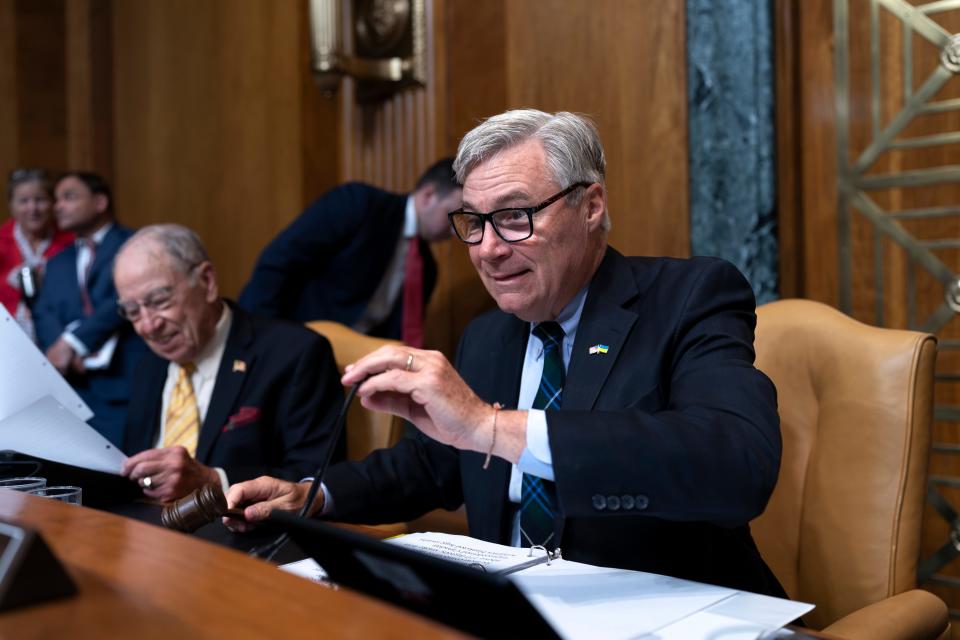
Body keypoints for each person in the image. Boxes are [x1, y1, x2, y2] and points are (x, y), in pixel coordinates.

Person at [227, 110, 785, 596]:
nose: (489, 249)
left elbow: (736, 464)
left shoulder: (689, 298)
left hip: (668, 612)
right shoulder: (490, 335)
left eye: (516, 216)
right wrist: (312, 495)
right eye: (473, 222)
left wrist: (490, 426)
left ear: (590, 206)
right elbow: (434, 463)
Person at [115, 224, 346, 503]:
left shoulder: (295, 354)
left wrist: (213, 482)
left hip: (241, 535)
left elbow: (317, 479)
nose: (149, 326)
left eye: (160, 301)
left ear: (207, 281)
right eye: (132, 311)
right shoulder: (149, 364)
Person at [237, 158, 462, 346]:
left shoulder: (427, 270)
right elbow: (279, 263)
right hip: (291, 344)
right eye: (452, 215)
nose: (454, 231)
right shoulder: (359, 204)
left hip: (356, 374)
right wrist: (261, 342)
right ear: (428, 196)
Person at [33, 172, 146, 447]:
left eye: (69, 197)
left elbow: (124, 298)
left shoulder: (136, 245)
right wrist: (59, 349)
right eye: (56, 199)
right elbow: (44, 310)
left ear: (99, 202)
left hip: (124, 386)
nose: (57, 206)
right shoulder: (58, 261)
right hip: (73, 390)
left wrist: (74, 343)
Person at [0, 169, 73, 341]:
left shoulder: (71, 240)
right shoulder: (1, 242)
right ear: (11, 205)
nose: (32, 208)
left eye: (40, 200)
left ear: (52, 202)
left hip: (60, 335)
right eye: (23, 201)